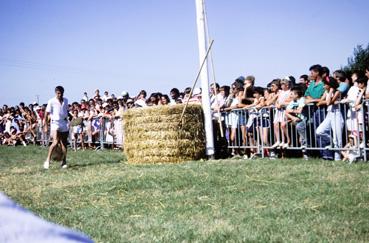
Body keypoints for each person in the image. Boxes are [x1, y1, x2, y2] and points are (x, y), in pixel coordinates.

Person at [43, 86, 69, 169]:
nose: (60, 95)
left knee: (64, 144)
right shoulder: (51, 101)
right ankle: (47, 160)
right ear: (55, 93)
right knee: (55, 142)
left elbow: (66, 111)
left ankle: (64, 161)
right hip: (55, 123)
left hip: (63, 123)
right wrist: (46, 125)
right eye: (58, 93)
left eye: (61, 93)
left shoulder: (66, 100)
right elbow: (46, 114)